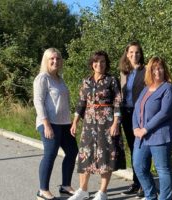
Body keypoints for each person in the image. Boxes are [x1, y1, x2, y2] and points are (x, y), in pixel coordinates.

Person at [68, 50, 126, 200]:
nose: (99, 64)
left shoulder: (111, 80)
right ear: (92, 64)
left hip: (106, 124)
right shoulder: (86, 81)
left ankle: (102, 192)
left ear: (106, 64)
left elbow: (118, 102)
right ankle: (83, 190)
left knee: (105, 156)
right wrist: (75, 122)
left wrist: (115, 123)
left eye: (102, 62)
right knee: (84, 155)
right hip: (89, 124)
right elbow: (81, 102)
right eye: (96, 61)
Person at [33, 48, 78, 200]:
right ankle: (42, 190)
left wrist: (71, 121)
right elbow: (38, 102)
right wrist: (46, 124)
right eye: (52, 58)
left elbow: (63, 103)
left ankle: (65, 186)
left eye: (58, 58)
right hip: (49, 122)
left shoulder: (59, 79)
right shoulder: (42, 78)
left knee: (72, 152)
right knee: (50, 154)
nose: (55, 61)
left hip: (64, 123)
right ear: (46, 61)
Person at [132, 56, 172, 200]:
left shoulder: (168, 88)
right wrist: (135, 128)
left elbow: (164, 112)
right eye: (153, 69)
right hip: (142, 137)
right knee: (138, 166)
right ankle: (150, 195)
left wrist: (145, 128)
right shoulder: (146, 88)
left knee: (162, 169)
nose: (157, 71)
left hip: (160, 135)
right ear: (149, 71)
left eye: (160, 68)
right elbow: (136, 109)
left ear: (164, 69)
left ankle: (165, 197)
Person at [118, 41, 146, 197]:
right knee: (133, 148)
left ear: (141, 54)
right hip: (126, 113)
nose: (134, 55)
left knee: (142, 148)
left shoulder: (146, 70)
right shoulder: (124, 71)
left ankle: (144, 183)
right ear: (126, 54)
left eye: (137, 52)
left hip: (140, 113)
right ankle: (136, 182)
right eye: (131, 52)